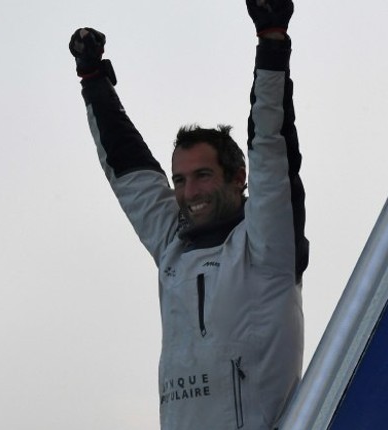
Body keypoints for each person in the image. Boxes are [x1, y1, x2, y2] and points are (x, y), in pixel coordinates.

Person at [69, 1, 308, 428]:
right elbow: (130, 171)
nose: (189, 192)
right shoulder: (172, 246)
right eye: (179, 180)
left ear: (238, 178)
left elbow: (271, 147)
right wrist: (93, 79)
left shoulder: (267, 247)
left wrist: (271, 42)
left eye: (202, 176)